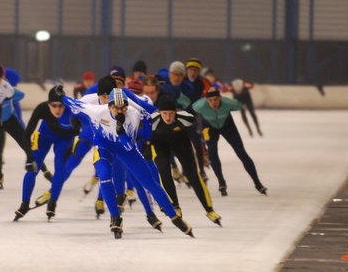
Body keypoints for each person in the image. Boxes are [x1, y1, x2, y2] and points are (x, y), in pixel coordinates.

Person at [61, 87, 194, 239]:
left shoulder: (133, 115)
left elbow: (129, 146)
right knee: (104, 175)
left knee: (149, 182)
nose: (119, 111)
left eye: (123, 108)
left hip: (126, 148)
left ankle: (175, 218)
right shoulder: (98, 111)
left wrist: (121, 131)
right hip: (104, 147)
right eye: (116, 108)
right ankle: (115, 216)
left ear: (127, 107)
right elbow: (75, 104)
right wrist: (60, 96)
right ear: (109, 106)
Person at [151, 95, 221, 225]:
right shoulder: (152, 120)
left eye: (171, 114)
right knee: (164, 173)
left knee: (194, 176)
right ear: (159, 112)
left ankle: (209, 210)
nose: (168, 117)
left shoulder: (185, 117)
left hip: (181, 145)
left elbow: (198, 130)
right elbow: (142, 135)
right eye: (164, 113)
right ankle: (175, 206)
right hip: (160, 146)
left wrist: (204, 143)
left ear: (176, 112)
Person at [13, 86, 80, 221]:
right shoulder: (42, 109)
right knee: (33, 168)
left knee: (60, 167)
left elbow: (84, 130)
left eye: (61, 106)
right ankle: (24, 204)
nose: (57, 109)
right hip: (45, 135)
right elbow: (26, 135)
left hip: (65, 139)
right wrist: (29, 156)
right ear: (48, 104)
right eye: (53, 106)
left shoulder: (73, 110)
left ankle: (52, 202)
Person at [192, 87, 268, 196]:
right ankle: (221, 181)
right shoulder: (199, 106)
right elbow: (192, 111)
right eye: (210, 100)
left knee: (242, 153)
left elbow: (241, 105)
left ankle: (257, 183)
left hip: (228, 126)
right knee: (212, 153)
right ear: (206, 100)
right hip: (208, 128)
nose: (213, 103)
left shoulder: (230, 103)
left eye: (216, 100)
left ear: (220, 98)